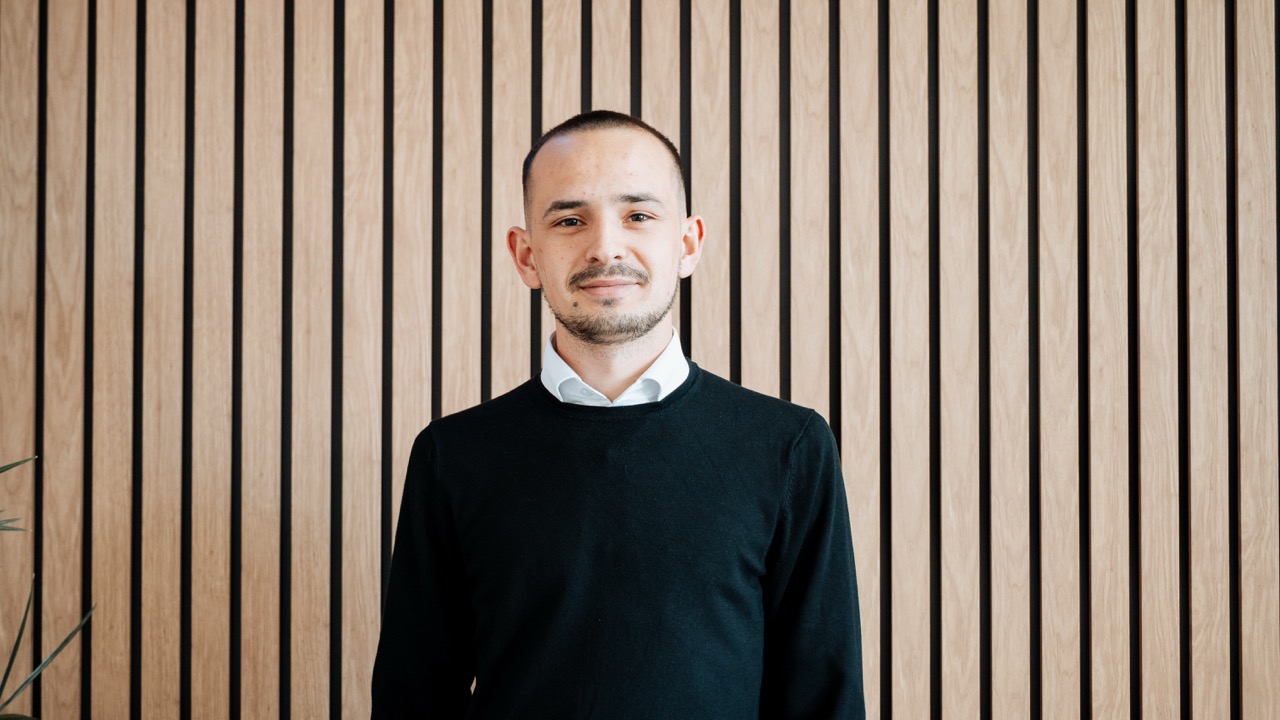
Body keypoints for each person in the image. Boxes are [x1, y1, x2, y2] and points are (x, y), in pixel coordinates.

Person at [371, 110, 864, 718]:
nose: (605, 246)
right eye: (571, 219)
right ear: (526, 256)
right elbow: (411, 701)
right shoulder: (452, 456)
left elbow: (824, 702)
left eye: (638, 215)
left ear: (687, 244)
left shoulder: (789, 448)